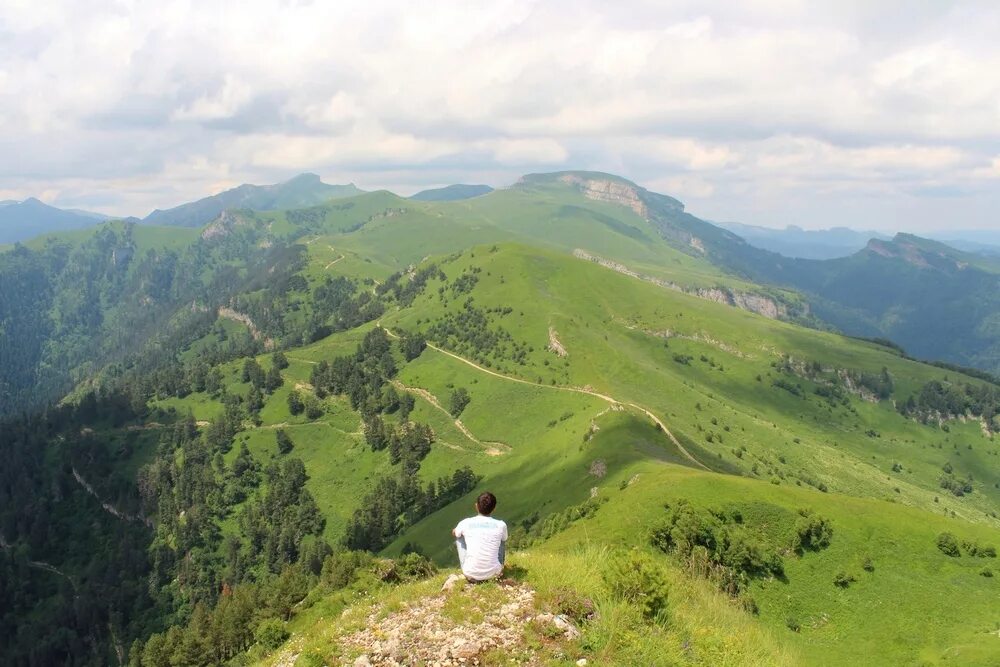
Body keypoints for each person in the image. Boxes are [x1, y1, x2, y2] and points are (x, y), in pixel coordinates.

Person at [452, 491, 508, 582]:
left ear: (476, 506)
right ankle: (499, 565)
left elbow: (455, 533)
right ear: (494, 508)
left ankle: (468, 565)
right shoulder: (501, 525)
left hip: (470, 573)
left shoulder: (466, 522)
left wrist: (456, 531)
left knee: (459, 536)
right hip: (495, 573)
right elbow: (504, 539)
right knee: (502, 538)